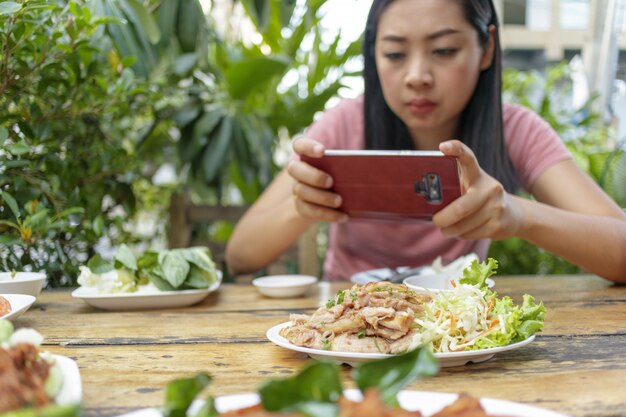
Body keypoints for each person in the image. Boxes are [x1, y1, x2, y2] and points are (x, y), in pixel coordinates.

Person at [225, 0, 626, 283]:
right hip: (350, 328)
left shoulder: (514, 130)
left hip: (455, 332)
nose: (417, 75)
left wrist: (518, 216)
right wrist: (305, 207)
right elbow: (241, 256)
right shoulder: (345, 123)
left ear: (486, 48)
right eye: (395, 54)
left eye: (443, 50)